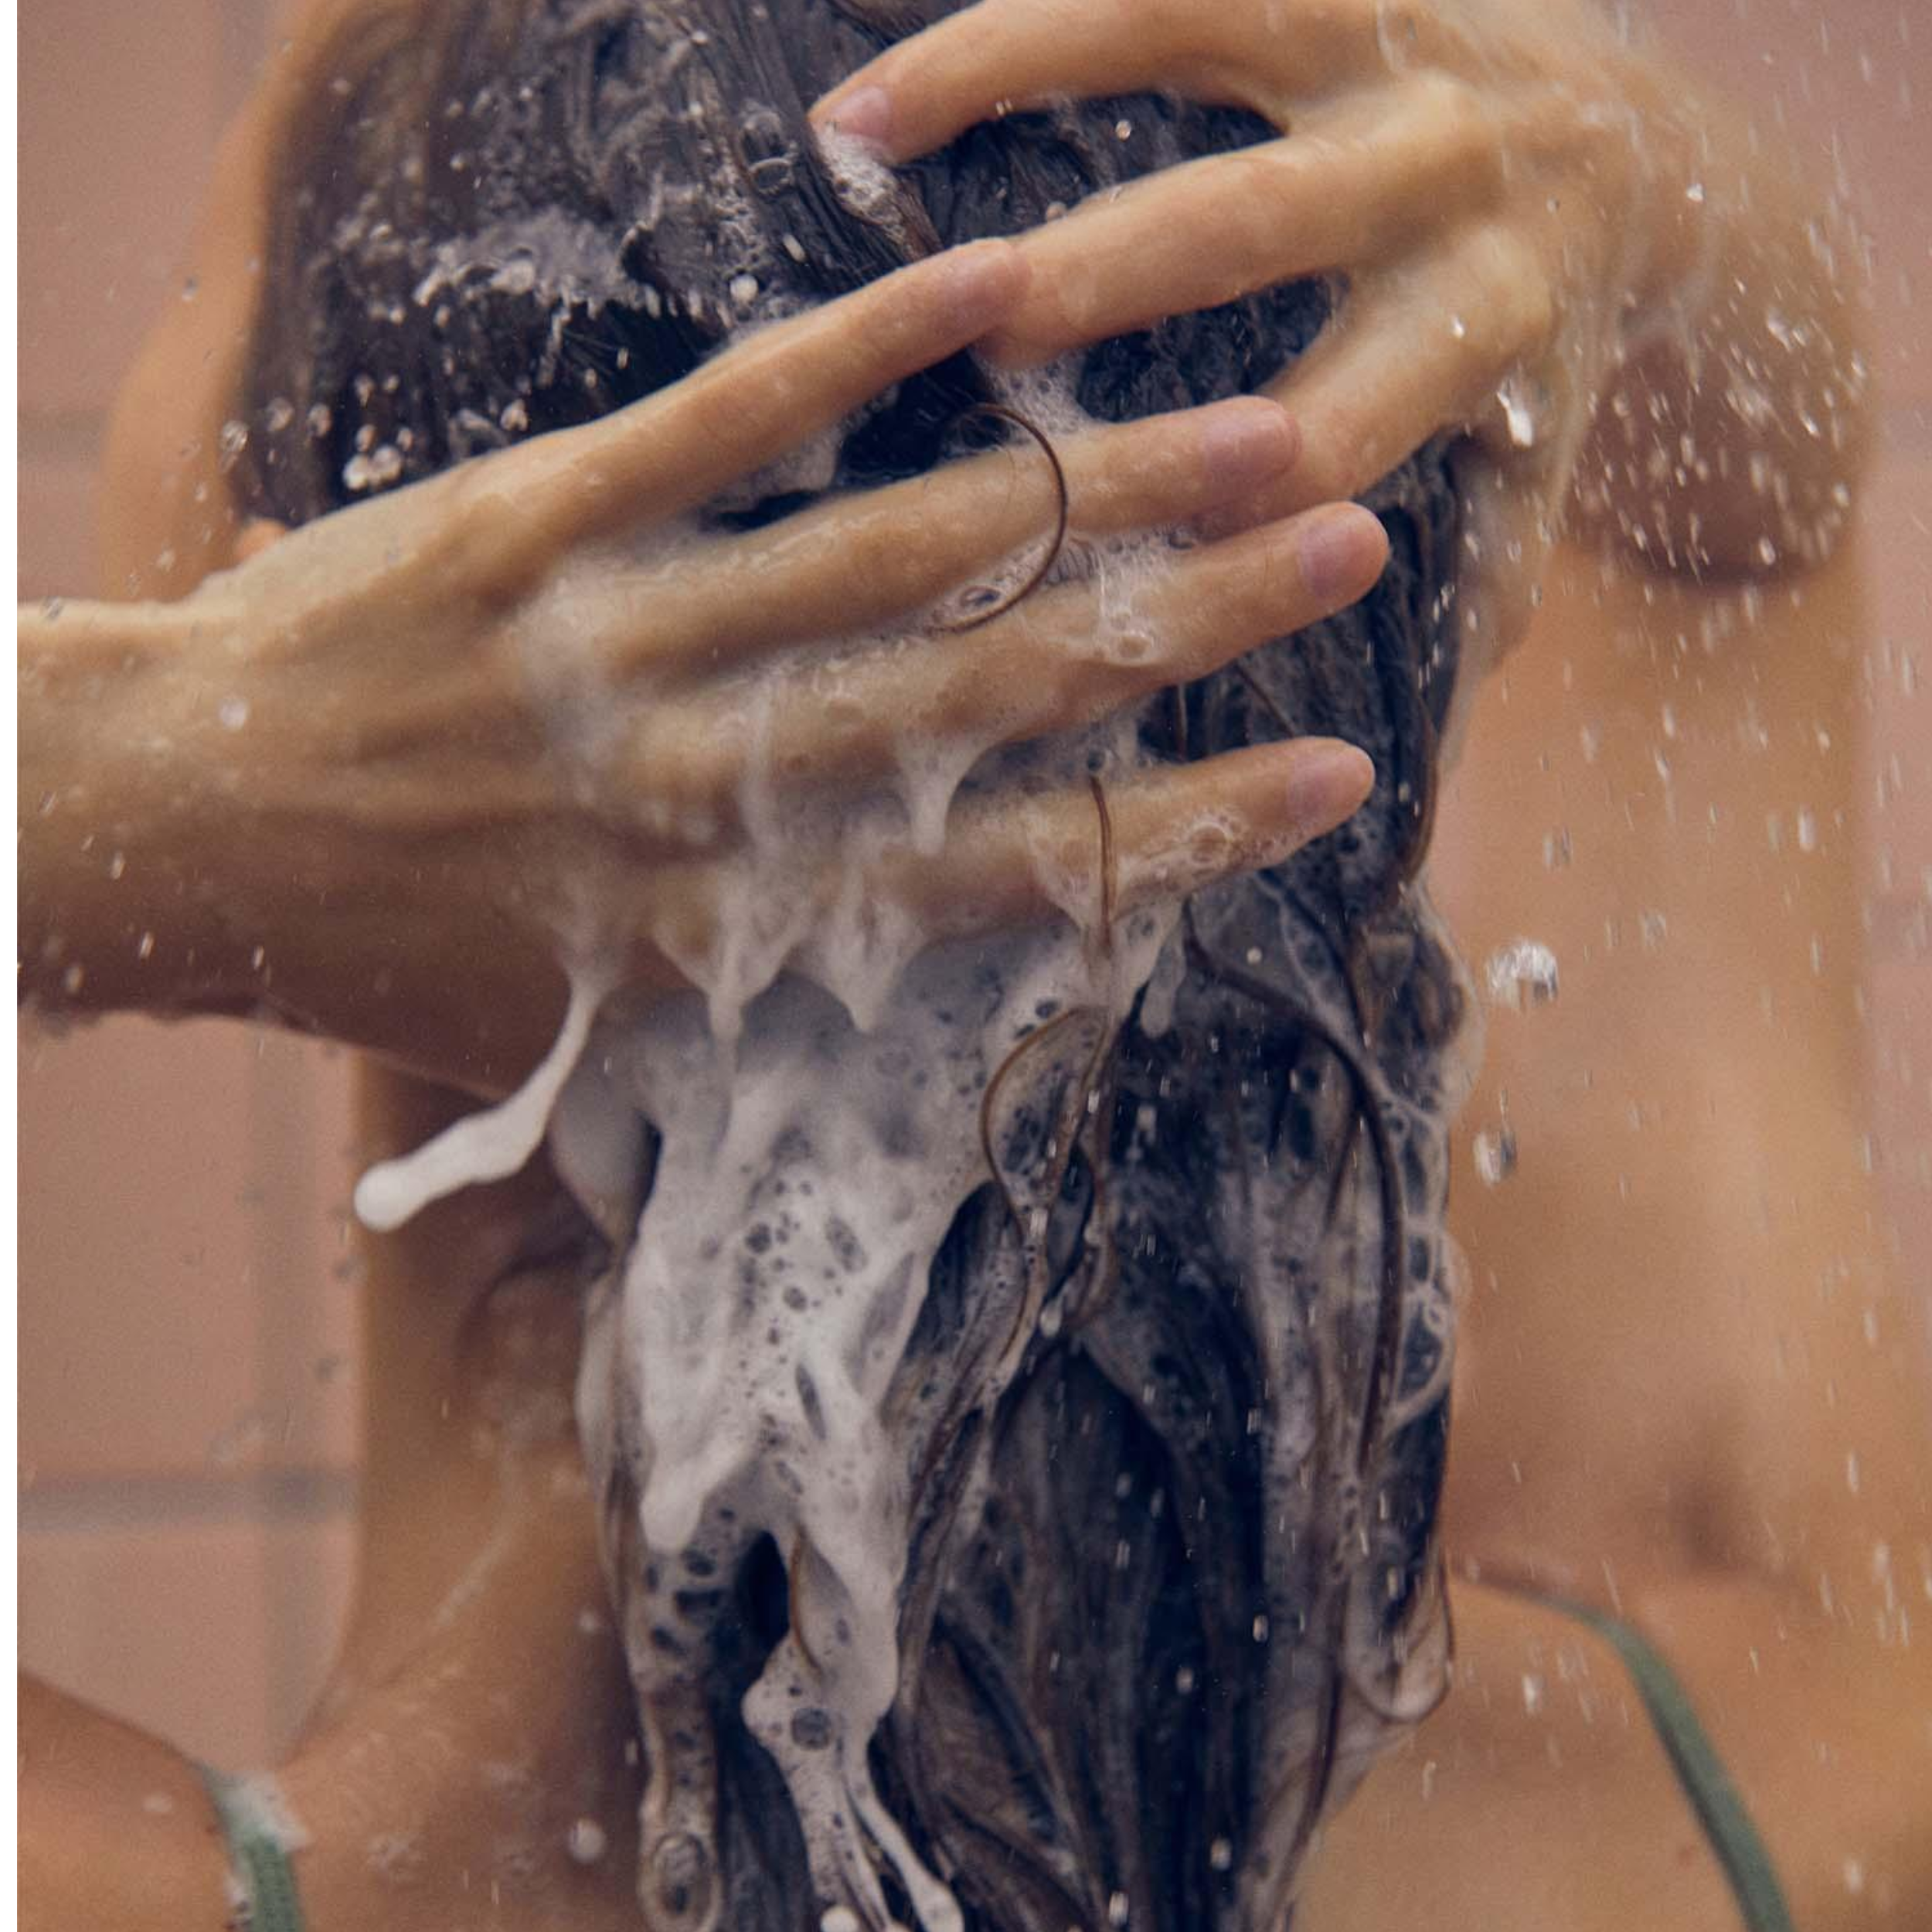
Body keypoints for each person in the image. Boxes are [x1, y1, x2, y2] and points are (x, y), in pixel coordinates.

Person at [19, 4, 1925, 1931]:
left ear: (273, 599)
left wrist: (123, 785)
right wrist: (1623, 167)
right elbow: (1728, 544)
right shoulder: (1773, 1815)